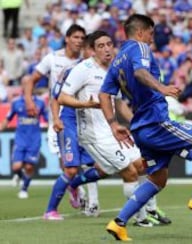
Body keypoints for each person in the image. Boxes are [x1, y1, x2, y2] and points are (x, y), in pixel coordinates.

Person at [100, 14, 192, 241]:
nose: (152, 38)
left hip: (140, 127)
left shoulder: (116, 62)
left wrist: (113, 123)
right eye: (151, 33)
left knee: (158, 179)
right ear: (140, 32)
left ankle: (118, 223)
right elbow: (140, 72)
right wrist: (161, 87)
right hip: (156, 122)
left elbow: (104, 93)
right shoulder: (140, 48)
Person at [58, 30, 170, 227]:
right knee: (129, 172)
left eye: (109, 44)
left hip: (112, 130)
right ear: (92, 50)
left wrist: (138, 123)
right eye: (101, 46)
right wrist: (86, 105)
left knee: (143, 164)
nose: (107, 49)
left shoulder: (114, 70)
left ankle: (150, 210)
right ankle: (141, 218)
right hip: (94, 134)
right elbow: (62, 97)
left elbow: (119, 104)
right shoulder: (83, 69)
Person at [24, 24, 98, 219]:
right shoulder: (53, 59)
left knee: (90, 164)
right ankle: (68, 196)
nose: (79, 41)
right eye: (75, 37)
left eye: (82, 38)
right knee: (67, 165)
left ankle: (87, 199)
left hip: (82, 119)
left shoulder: (85, 63)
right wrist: (30, 101)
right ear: (67, 38)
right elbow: (31, 80)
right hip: (59, 118)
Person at [43, 34, 100, 220]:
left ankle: (76, 187)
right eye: (93, 48)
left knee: (100, 166)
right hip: (69, 121)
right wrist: (56, 119)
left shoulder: (105, 72)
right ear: (86, 50)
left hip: (90, 122)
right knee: (71, 168)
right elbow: (56, 96)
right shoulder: (71, 69)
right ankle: (50, 210)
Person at [0, 79, 48, 199]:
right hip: (20, 139)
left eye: (29, 83)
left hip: (34, 139)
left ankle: (24, 189)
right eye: (24, 83)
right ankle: (19, 176)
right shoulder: (16, 103)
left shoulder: (40, 103)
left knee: (29, 167)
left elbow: (47, 118)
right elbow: (8, 118)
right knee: (16, 166)